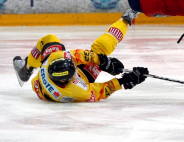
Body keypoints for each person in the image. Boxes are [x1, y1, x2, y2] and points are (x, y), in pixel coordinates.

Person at [13, 9, 149, 102]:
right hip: (77, 80)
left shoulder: (55, 57)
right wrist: (124, 82)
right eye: (72, 76)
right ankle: (125, 19)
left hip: (43, 78)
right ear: (63, 81)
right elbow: (99, 91)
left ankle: (26, 69)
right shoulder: (74, 90)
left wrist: (103, 61)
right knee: (103, 47)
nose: (74, 73)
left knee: (49, 38)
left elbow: (77, 55)